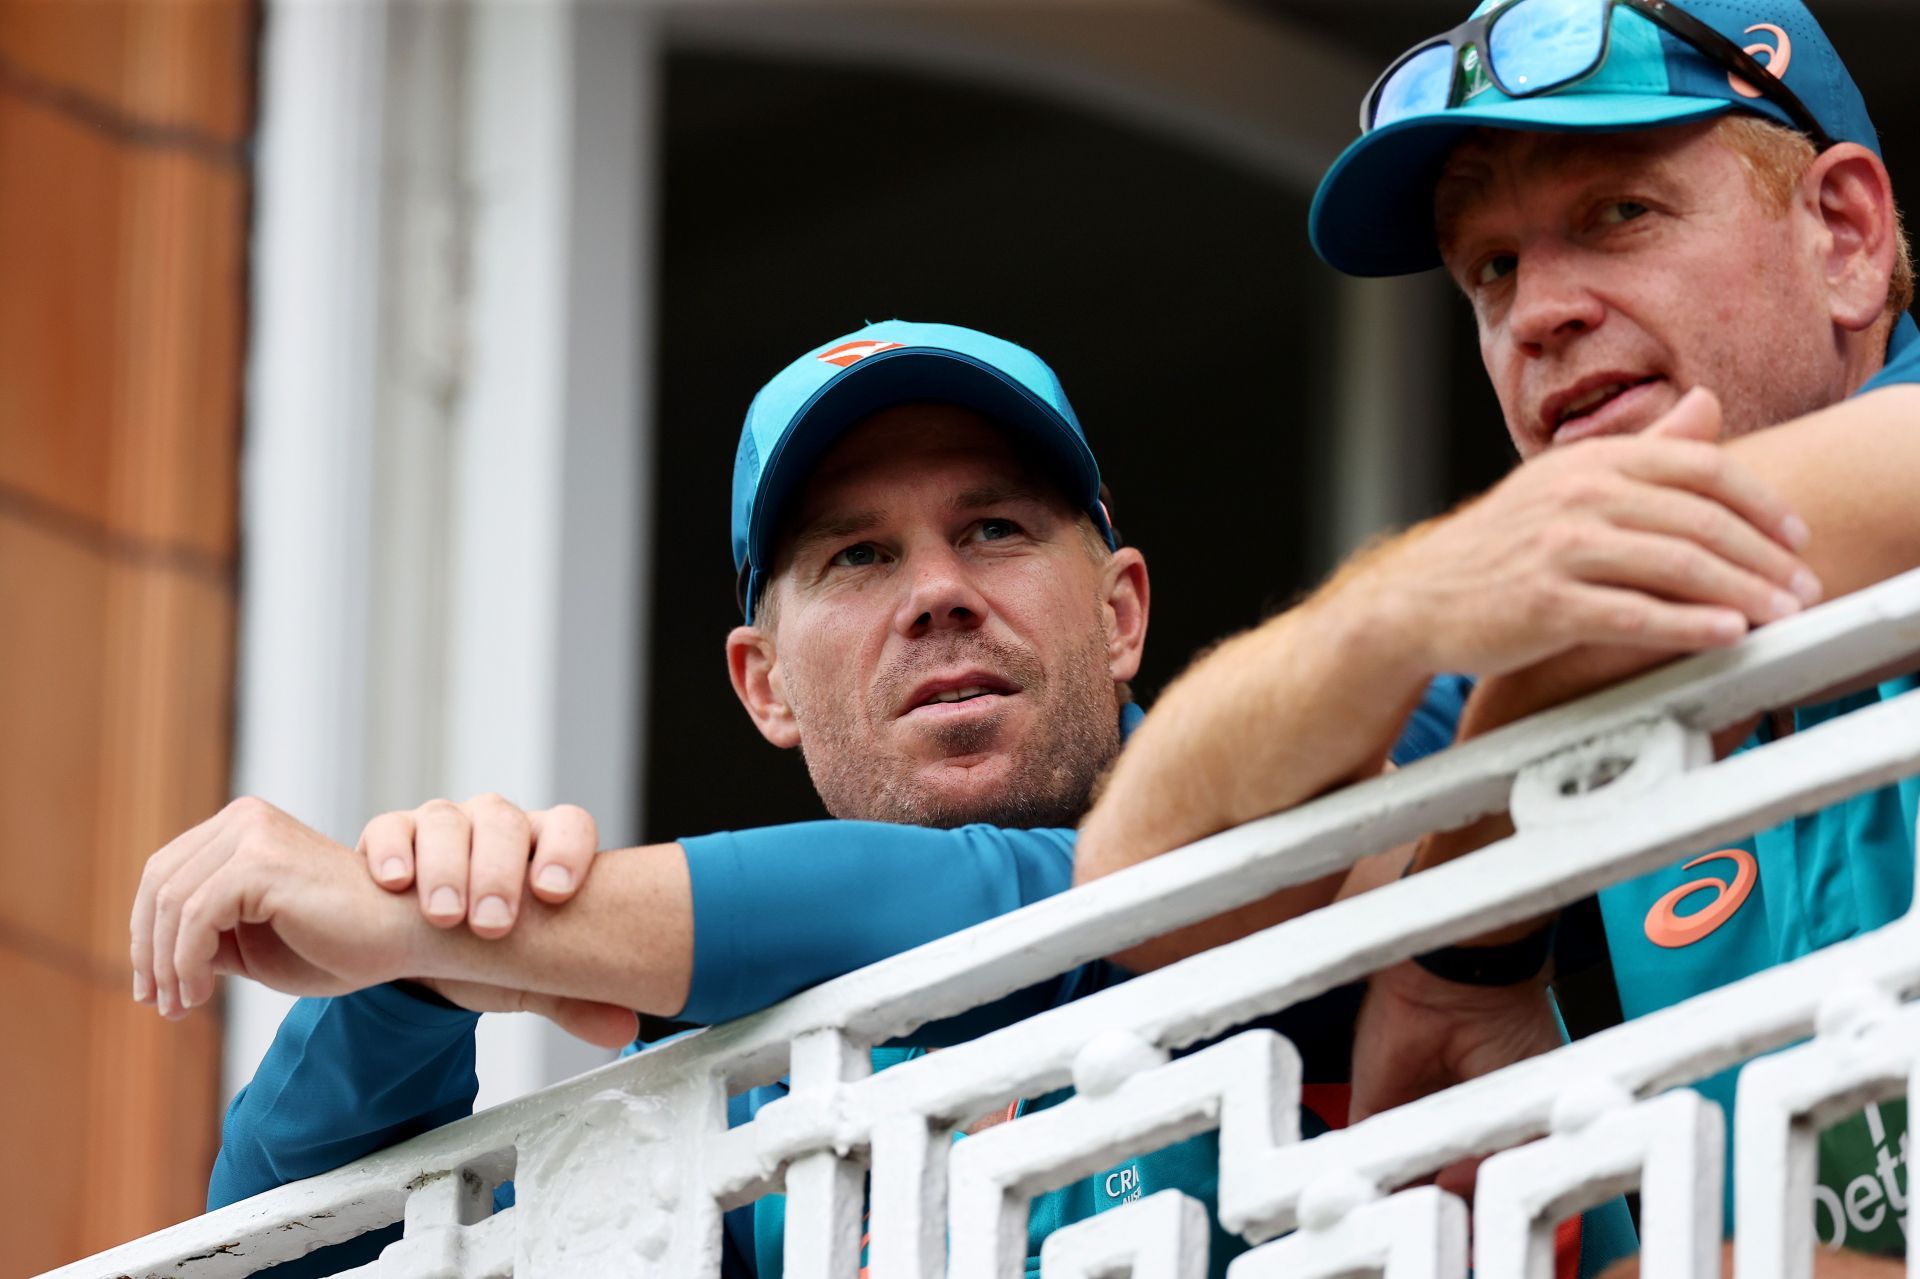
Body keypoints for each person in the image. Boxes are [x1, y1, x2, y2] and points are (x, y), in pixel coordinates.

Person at [130, 316, 1800, 1276]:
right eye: (858, 554)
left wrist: (480, 923)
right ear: (762, 684)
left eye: (994, 528)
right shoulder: (678, 1101)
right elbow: (266, 1262)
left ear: (1126, 608)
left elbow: (1046, 905)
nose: (936, 588)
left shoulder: (1346, 802)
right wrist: (414, 976)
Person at [1072, 0, 1919, 1263]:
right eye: (1491, 269)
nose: (1538, 314)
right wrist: (1398, 605)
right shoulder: (1524, 637)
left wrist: (1467, 920)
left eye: (1617, 214)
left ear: (1844, 236)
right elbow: (1142, 888)